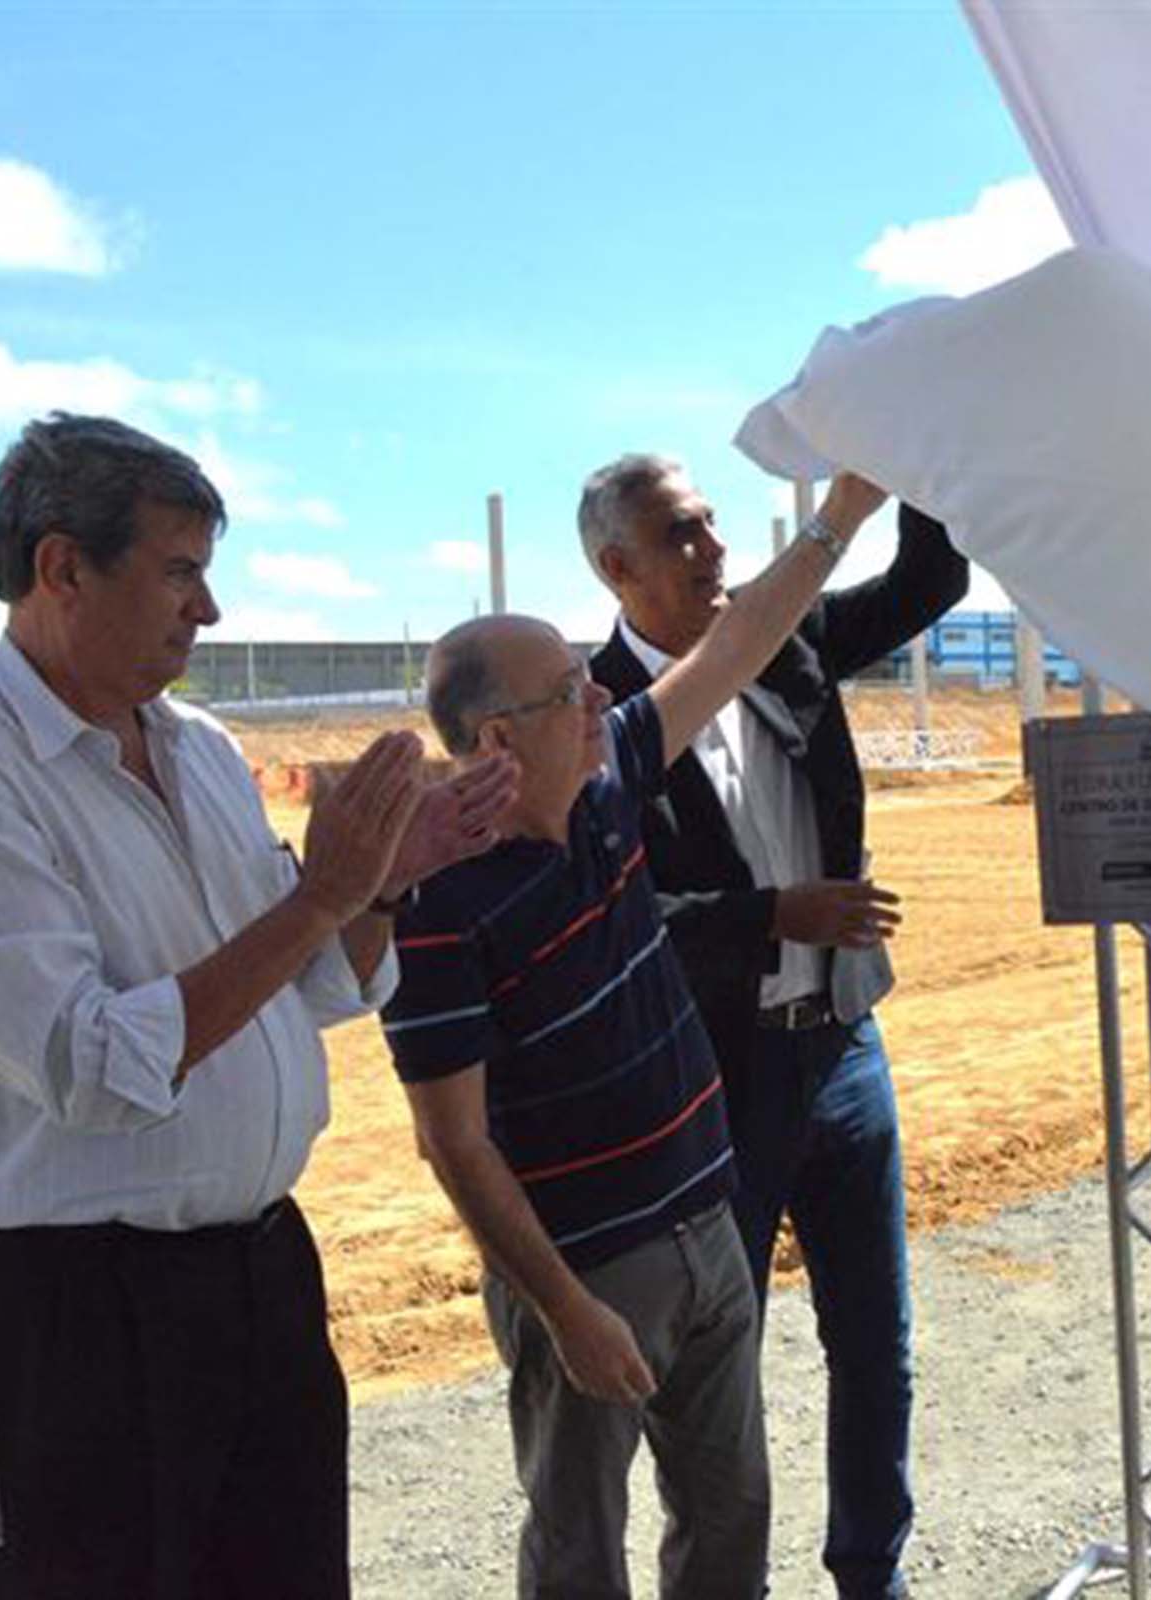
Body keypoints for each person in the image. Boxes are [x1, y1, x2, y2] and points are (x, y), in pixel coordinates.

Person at [0, 414, 513, 1600]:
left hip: (260, 1285)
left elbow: (304, 988)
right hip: (74, 1321)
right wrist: (327, 891)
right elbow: (92, 1066)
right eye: (181, 569)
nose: (211, 610)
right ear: (61, 567)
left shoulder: (199, 748)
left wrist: (388, 881)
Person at [380, 471, 891, 1600]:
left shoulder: (605, 784)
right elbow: (451, 1143)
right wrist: (565, 1308)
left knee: (728, 1527)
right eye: (571, 688)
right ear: (500, 736)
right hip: (587, 1270)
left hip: (705, 1223)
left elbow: (740, 641)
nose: (595, 696)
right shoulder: (439, 903)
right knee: (579, 1549)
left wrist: (838, 517)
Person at [578, 455, 966, 1598]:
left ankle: (870, 1573)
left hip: (844, 1048)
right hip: (711, 1076)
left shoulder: (791, 640)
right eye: (681, 534)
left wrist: (915, 446)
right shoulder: (588, 712)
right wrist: (773, 916)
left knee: (875, 1342)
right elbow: (614, 912)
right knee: (714, 1363)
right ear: (616, 566)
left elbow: (928, 580)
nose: (712, 549)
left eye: (710, 524)